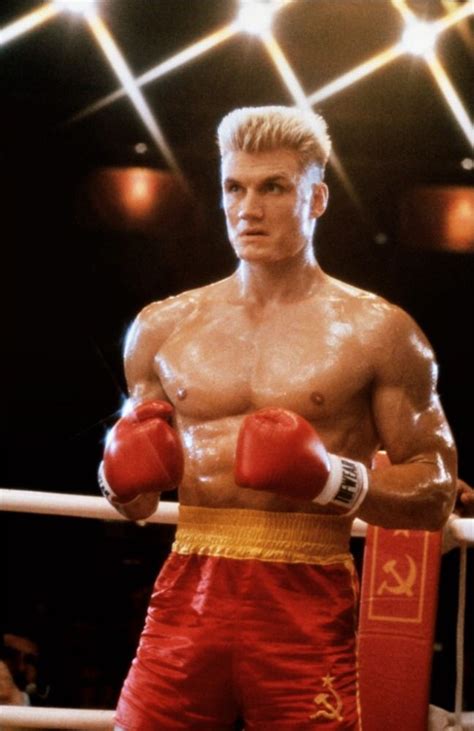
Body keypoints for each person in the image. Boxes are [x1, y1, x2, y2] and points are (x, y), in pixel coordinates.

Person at [98, 106, 457, 730]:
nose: (248, 207)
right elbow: (135, 502)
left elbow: (434, 490)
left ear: (315, 198)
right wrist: (117, 478)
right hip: (187, 592)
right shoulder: (162, 328)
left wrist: (326, 478)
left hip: (307, 597)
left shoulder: (378, 331)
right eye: (234, 187)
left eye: (273, 188)